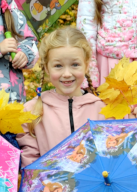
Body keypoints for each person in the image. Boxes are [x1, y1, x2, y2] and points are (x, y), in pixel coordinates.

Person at [16, 28, 105, 159]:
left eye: (75, 64)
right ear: (46, 68)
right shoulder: (31, 112)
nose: (67, 74)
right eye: (58, 66)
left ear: (86, 66)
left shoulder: (102, 110)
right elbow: (29, 160)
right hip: (50, 179)